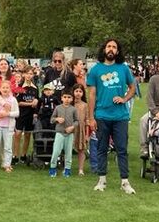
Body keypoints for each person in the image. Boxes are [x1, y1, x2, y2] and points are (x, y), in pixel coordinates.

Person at [86, 38, 137, 195]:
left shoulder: (123, 69)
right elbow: (92, 94)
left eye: (114, 47)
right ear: (104, 49)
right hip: (102, 115)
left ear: (117, 51)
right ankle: (102, 180)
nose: (111, 49)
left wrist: (125, 99)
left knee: (122, 149)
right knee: (101, 148)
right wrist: (91, 117)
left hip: (120, 116)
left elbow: (133, 87)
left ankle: (125, 182)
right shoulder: (95, 70)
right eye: (108, 46)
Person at [0, 79, 19, 173]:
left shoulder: (13, 100)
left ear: (10, 89)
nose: (5, 89)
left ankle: (7, 165)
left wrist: (7, 114)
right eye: (3, 87)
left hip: (8, 127)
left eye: (7, 87)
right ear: (0, 89)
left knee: (8, 147)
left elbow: (17, 113)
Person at [49, 89, 79, 177]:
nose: (66, 99)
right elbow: (52, 119)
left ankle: (67, 169)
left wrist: (72, 127)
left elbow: (77, 121)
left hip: (69, 134)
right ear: (61, 98)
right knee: (56, 151)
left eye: (69, 97)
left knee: (68, 152)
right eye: (65, 97)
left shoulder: (73, 109)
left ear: (72, 99)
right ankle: (53, 168)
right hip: (59, 132)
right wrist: (57, 119)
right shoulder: (58, 108)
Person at [14, 69, 38, 163]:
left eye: (31, 73)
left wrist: (36, 102)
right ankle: (15, 155)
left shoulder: (35, 88)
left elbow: (36, 101)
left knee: (28, 134)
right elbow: (18, 102)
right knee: (18, 134)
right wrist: (30, 104)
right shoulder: (20, 87)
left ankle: (23, 155)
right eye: (27, 73)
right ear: (23, 74)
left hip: (30, 115)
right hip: (21, 114)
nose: (29, 75)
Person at [71, 85, 89, 175]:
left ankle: (81, 169)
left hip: (81, 129)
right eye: (76, 91)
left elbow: (87, 120)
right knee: (67, 148)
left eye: (80, 91)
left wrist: (86, 134)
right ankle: (67, 167)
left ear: (83, 93)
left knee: (81, 149)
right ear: (73, 92)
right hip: (70, 129)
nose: (78, 93)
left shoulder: (85, 105)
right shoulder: (69, 103)